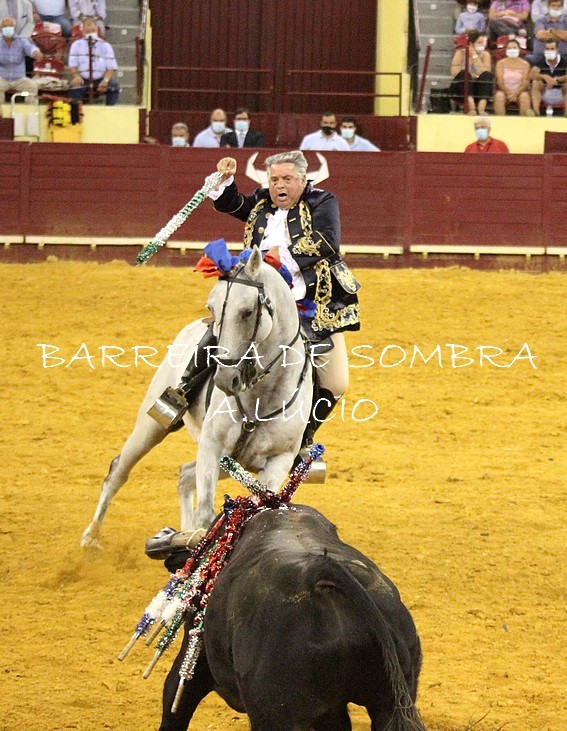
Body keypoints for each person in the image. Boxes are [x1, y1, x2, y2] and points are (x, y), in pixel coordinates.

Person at [209, 150, 360, 449]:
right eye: (274, 179)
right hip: (260, 301)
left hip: (313, 306)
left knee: (336, 382)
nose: (280, 185)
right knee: (216, 336)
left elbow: (327, 241)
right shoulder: (261, 202)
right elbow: (230, 203)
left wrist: (282, 255)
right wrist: (225, 180)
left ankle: (304, 437)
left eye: (287, 179)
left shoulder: (322, 201)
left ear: (303, 179)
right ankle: (179, 395)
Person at [67, 17, 119, 104]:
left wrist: (105, 80)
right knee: (75, 88)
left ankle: (109, 110)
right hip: (83, 79)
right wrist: (76, 76)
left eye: (93, 31)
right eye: (87, 31)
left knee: (114, 86)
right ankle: (78, 110)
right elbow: (72, 65)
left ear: (97, 30)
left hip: (100, 79)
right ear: (82, 31)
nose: (90, 33)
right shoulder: (76, 45)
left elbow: (111, 67)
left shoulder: (106, 45)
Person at [449, 29, 494, 114]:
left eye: (483, 43)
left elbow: (485, 72)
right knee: (465, 74)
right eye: (479, 43)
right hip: (462, 88)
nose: (482, 45)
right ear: (471, 44)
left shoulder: (485, 55)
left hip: (478, 87)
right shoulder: (460, 53)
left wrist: (474, 56)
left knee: (488, 76)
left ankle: (481, 109)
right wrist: (472, 75)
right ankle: (471, 107)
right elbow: (455, 72)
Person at [0, 15, 42, 103]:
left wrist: (36, 52)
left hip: (19, 79)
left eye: (10, 26)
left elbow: (30, 48)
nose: (7, 28)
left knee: (32, 87)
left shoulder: (21, 40)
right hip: (2, 78)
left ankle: (30, 110)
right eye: (5, 26)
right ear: (1, 29)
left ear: (14, 28)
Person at [493, 38, 533, 115]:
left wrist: (516, 93)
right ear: (506, 50)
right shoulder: (500, 64)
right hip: (504, 91)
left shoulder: (525, 64)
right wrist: (508, 92)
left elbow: (525, 82)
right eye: (509, 48)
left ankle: (524, 121)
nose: (512, 50)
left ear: (519, 50)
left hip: (520, 92)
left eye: (514, 48)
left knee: (524, 97)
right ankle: (500, 120)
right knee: (499, 96)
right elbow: (499, 81)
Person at [528, 39, 567, 115]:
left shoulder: (565, 61)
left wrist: (557, 80)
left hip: (561, 93)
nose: (549, 51)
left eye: (552, 49)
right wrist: (544, 77)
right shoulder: (541, 61)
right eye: (547, 49)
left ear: (557, 50)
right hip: (545, 92)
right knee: (536, 82)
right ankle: (536, 112)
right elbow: (531, 75)